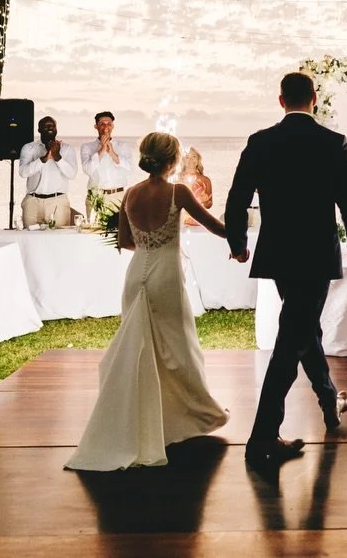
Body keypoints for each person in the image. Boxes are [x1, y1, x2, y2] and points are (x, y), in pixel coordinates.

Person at [66, 131, 233, 471]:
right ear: (172, 161)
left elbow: (125, 242)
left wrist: (149, 244)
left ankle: (156, 420)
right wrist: (242, 238)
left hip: (136, 274)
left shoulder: (130, 194)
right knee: (179, 348)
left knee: (145, 351)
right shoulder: (179, 192)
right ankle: (197, 415)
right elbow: (215, 226)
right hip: (166, 277)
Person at [225, 72, 347, 466]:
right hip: (317, 254)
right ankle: (262, 437)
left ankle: (329, 400)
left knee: (302, 329)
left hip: (279, 255)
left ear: (281, 100)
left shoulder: (260, 142)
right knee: (293, 338)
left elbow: (237, 197)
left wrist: (238, 243)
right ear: (314, 99)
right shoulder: (332, 142)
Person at [17, 117, 75, 228]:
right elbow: (23, 172)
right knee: (30, 239)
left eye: (52, 126)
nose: (50, 128)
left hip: (58, 202)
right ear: (39, 129)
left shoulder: (67, 149)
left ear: (56, 129)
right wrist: (43, 159)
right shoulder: (29, 148)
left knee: (59, 240)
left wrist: (57, 157)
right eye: (46, 126)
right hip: (32, 202)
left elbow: (71, 174)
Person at [80, 110, 135, 213]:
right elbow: (87, 170)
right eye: (102, 124)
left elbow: (130, 170)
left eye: (109, 123)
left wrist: (112, 153)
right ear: (96, 126)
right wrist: (102, 150)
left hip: (117, 197)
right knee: (93, 228)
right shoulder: (87, 147)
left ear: (113, 126)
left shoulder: (123, 146)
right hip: (95, 197)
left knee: (118, 229)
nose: (106, 127)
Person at [179, 147, 215, 228]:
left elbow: (208, 205)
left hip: (198, 220)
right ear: (183, 160)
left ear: (198, 159)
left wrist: (205, 200)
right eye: (187, 157)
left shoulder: (205, 180)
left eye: (194, 156)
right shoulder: (176, 178)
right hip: (180, 220)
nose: (190, 160)